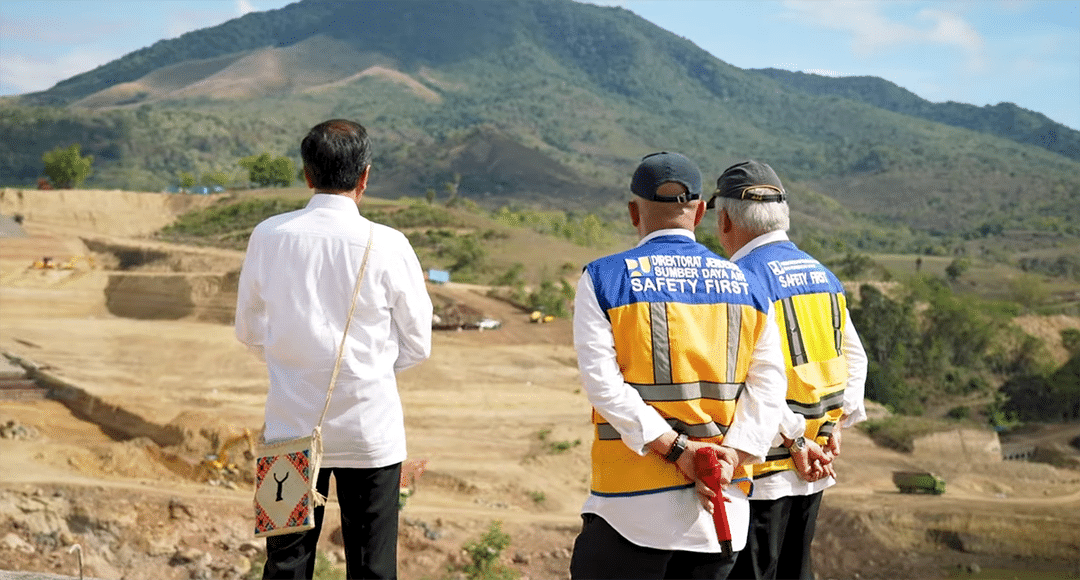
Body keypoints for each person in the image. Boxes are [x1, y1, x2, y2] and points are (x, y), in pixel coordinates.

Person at [569, 152, 790, 580]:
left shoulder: (603, 277)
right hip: (720, 512)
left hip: (628, 510)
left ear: (634, 212)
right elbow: (768, 386)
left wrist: (676, 449)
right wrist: (732, 455)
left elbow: (603, 385)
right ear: (703, 211)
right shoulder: (749, 284)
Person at [235, 119, 433, 579]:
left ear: (307, 175)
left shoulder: (268, 235)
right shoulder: (390, 244)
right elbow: (417, 344)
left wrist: (293, 361)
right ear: (365, 175)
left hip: (288, 428)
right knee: (373, 567)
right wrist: (370, 369)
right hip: (371, 433)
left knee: (286, 564)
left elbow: (248, 330)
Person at [708, 160, 868, 580]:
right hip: (816, 468)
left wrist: (796, 440)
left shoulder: (740, 279)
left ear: (725, 220)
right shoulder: (824, 276)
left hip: (768, 471)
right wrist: (830, 431)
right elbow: (856, 359)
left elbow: (752, 378)